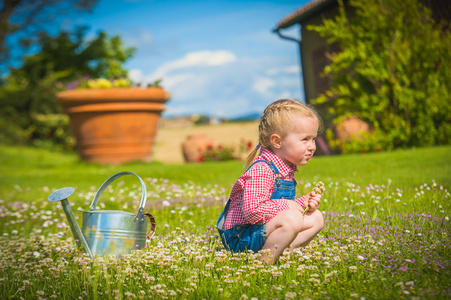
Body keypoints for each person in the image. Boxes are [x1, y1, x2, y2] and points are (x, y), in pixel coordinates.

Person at [216, 99, 324, 264]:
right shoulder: (262, 170)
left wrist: (303, 202)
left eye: (313, 139)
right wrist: (290, 206)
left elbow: (276, 208)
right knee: (292, 218)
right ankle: (264, 264)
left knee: (316, 218)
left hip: (259, 230)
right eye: (305, 139)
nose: (312, 146)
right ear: (277, 141)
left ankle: (281, 252)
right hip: (240, 237)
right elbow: (253, 212)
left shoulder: (285, 169)